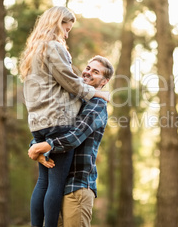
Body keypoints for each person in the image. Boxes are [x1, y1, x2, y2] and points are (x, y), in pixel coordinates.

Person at [19, 6, 108, 227]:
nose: (66, 35)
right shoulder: (54, 48)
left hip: (38, 124)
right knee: (54, 185)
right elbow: (70, 81)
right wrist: (97, 92)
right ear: (58, 24)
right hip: (57, 122)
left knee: (42, 182)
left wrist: (40, 145)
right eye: (66, 29)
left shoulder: (33, 52)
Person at [28, 55, 114, 227]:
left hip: (77, 189)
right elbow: (51, 129)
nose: (88, 73)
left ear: (104, 82)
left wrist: (42, 147)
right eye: (88, 68)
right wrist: (34, 147)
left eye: (95, 72)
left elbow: (74, 137)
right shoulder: (73, 99)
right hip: (56, 187)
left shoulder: (97, 104)